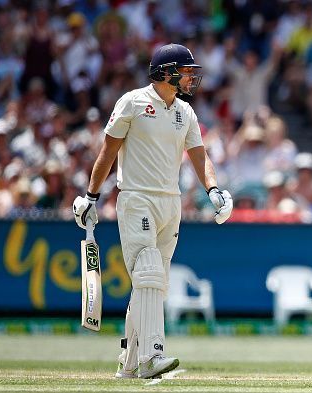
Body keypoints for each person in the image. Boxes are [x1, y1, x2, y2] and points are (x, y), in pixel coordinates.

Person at [72, 43, 233, 379]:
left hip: (170, 203)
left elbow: (199, 156)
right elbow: (107, 152)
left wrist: (214, 190)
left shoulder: (185, 112)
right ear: (166, 71)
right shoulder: (132, 101)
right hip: (136, 198)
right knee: (147, 272)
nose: (191, 77)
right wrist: (90, 196)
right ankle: (151, 356)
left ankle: (128, 363)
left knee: (154, 286)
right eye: (186, 71)